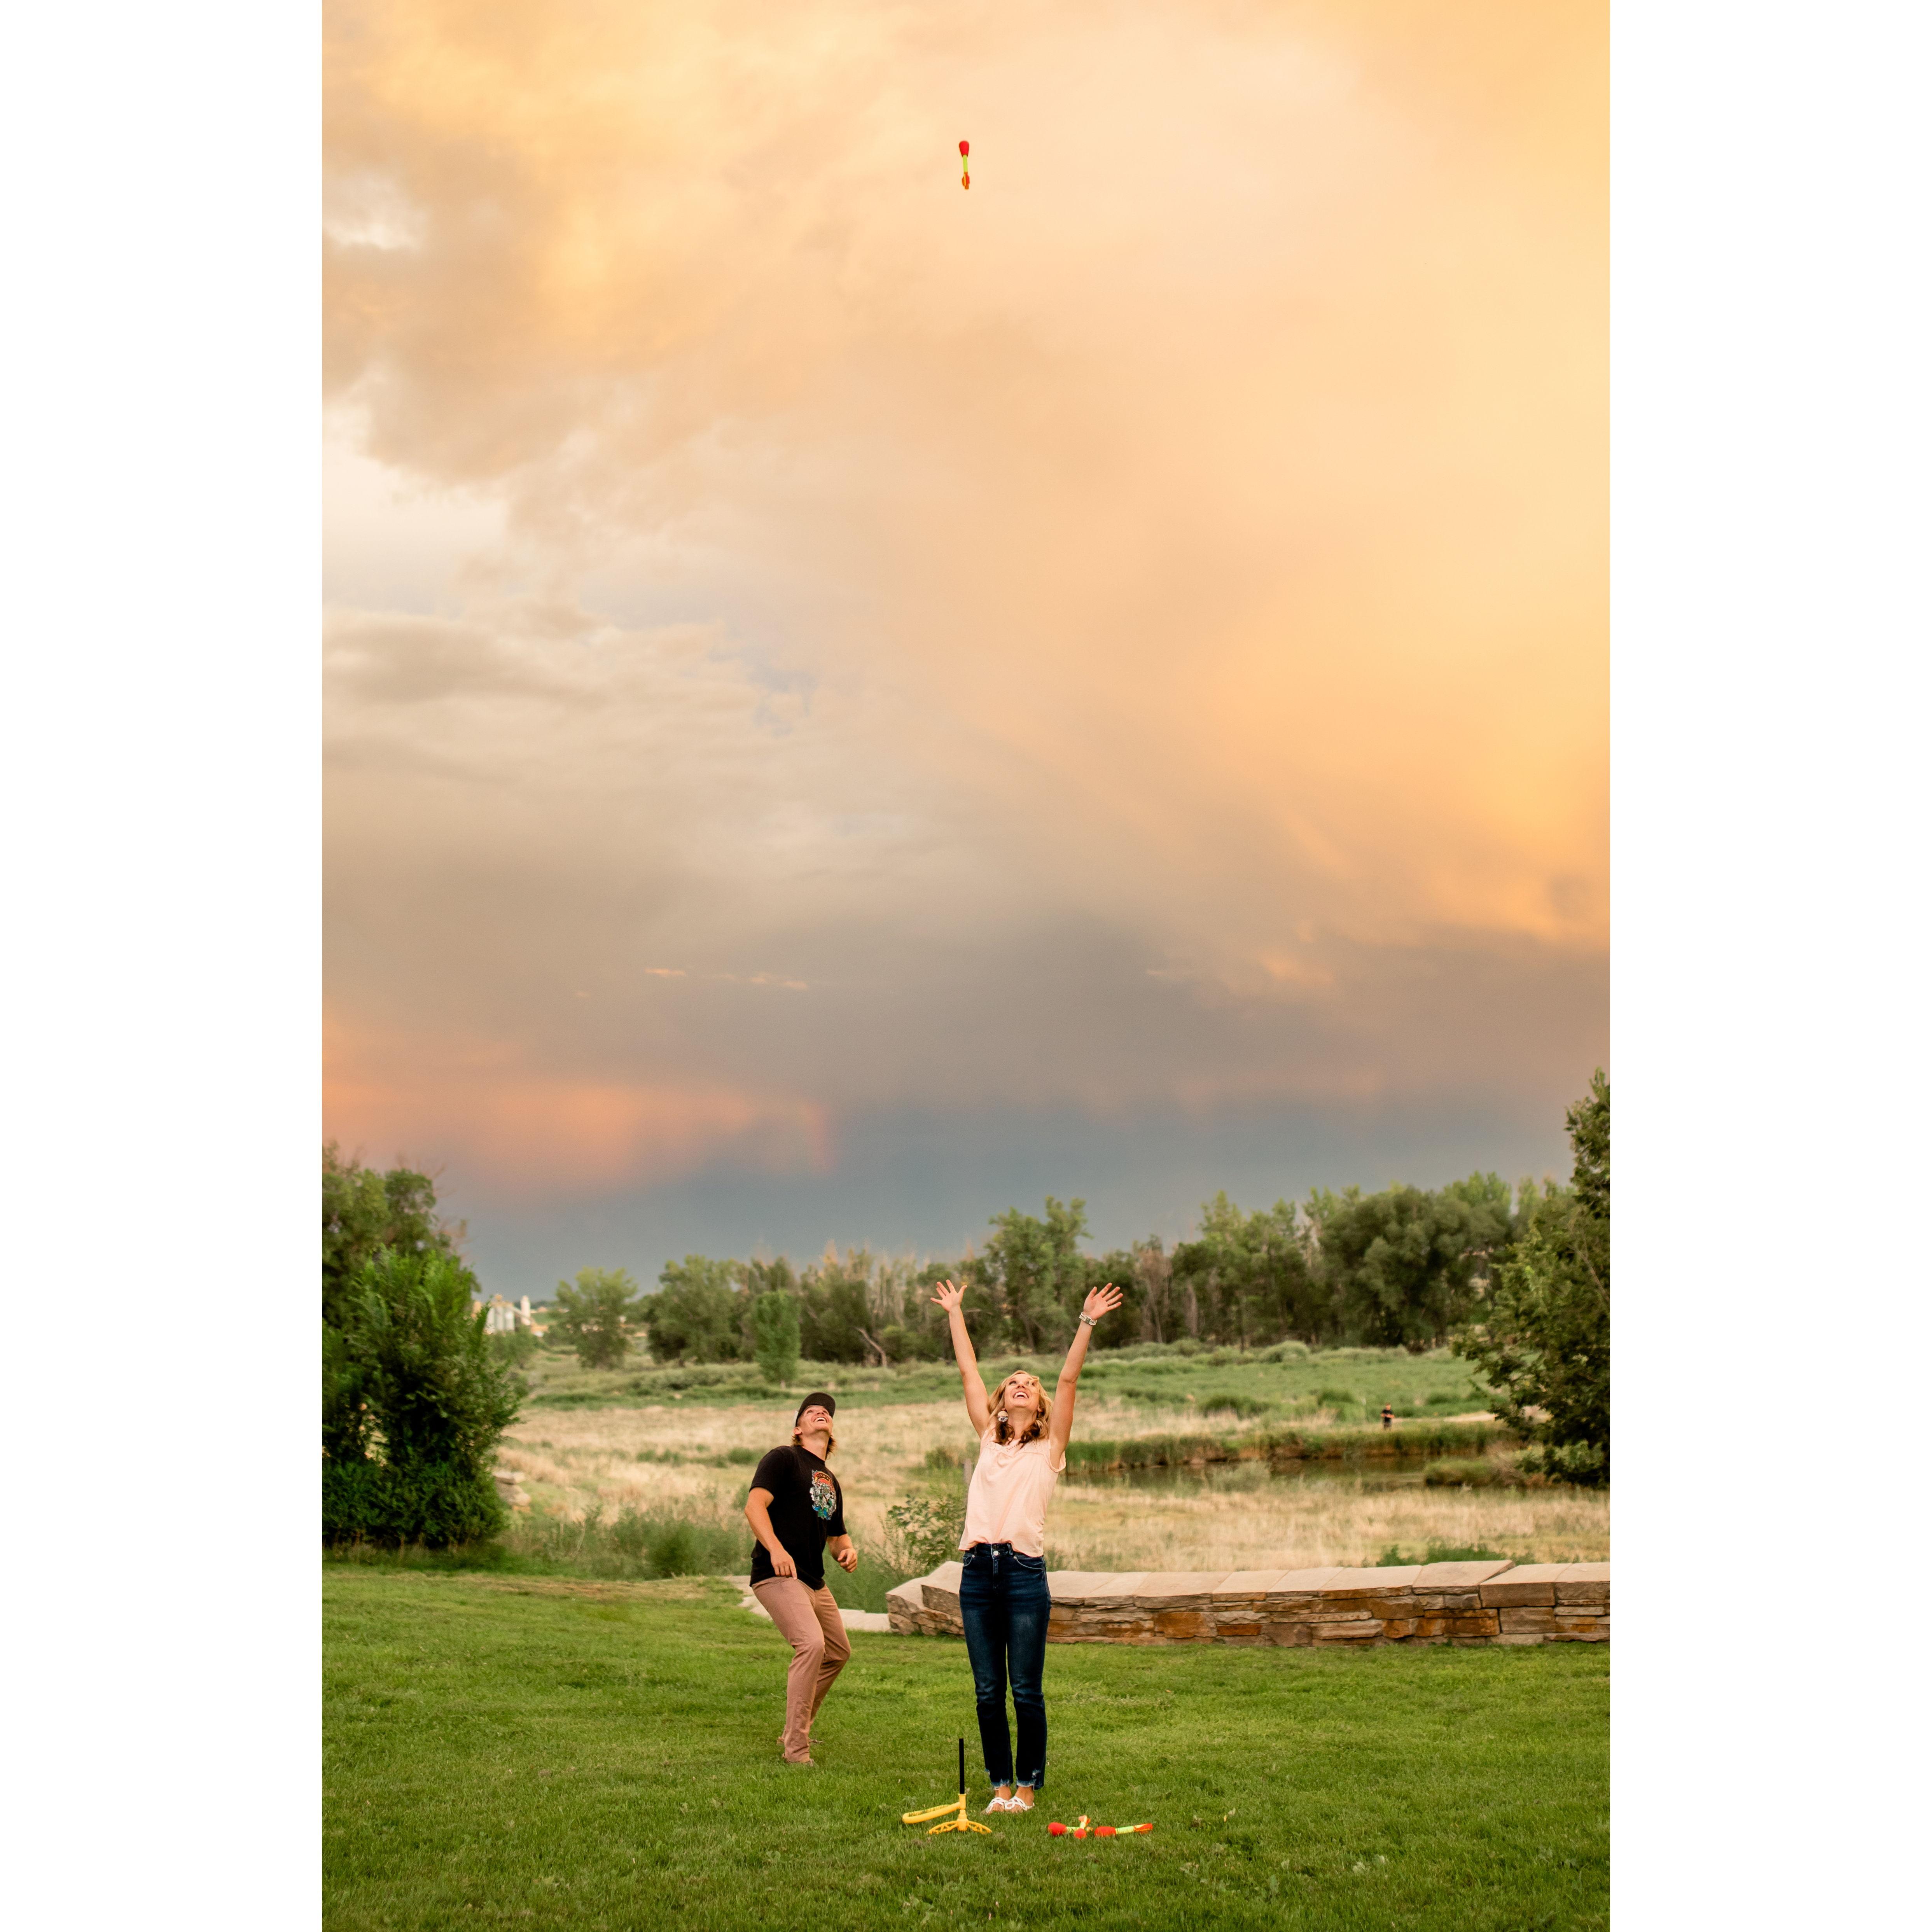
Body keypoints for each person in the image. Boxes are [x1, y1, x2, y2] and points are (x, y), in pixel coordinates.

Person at [928, 1277, 1124, 1814]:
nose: (1021, 1385)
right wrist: (955, 1312)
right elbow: (968, 1372)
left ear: (1038, 1403)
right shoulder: (987, 1437)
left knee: (1025, 1690)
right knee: (987, 1690)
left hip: (1022, 1574)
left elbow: (1068, 1378)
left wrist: (1087, 1321)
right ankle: (999, 1787)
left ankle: (1028, 1786)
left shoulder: (1051, 1446)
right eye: (1012, 1381)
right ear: (1001, 1399)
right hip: (976, 1572)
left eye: (1029, 1383)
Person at [744, 1393, 858, 1767]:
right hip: (778, 1573)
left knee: (837, 1652)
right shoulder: (783, 1458)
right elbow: (754, 1506)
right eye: (811, 1410)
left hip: (814, 1580)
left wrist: (848, 1550)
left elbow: (837, 1536)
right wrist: (776, 1549)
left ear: (831, 1428)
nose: (821, 1411)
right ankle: (796, 1748)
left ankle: (797, 1727)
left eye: (826, 1411)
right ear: (798, 1428)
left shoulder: (830, 1481)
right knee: (811, 1645)